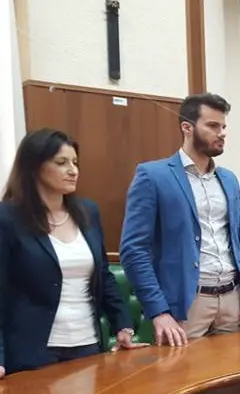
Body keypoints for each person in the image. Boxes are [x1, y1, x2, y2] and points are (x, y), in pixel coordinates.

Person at [0, 129, 146, 378]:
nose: (73, 170)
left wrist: (123, 325)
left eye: (75, 163)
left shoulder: (88, 212)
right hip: (32, 350)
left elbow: (103, 275)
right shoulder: (8, 218)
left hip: (87, 343)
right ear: (34, 167)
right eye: (61, 163)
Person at [120, 93, 240, 347]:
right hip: (186, 304)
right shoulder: (153, 176)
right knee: (182, 371)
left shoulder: (229, 179)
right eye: (213, 126)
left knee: (238, 371)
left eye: (223, 127)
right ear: (187, 127)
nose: (222, 133)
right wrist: (159, 311)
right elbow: (133, 250)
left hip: (233, 299)